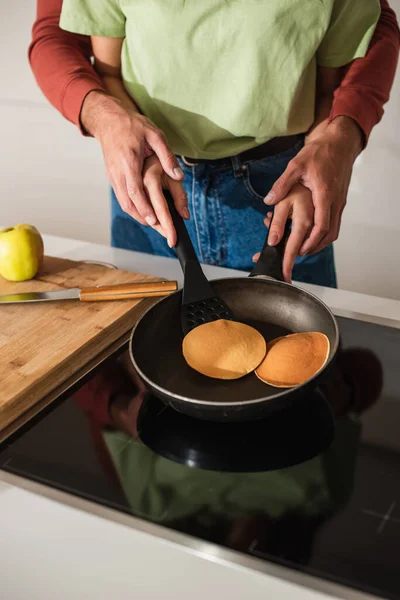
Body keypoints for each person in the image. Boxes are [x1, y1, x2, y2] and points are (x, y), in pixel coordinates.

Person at [29, 1, 399, 285]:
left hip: (284, 191)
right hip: (151, 183)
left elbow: (329, 88)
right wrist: (111, 122)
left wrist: (334, 141)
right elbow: (99, 65)